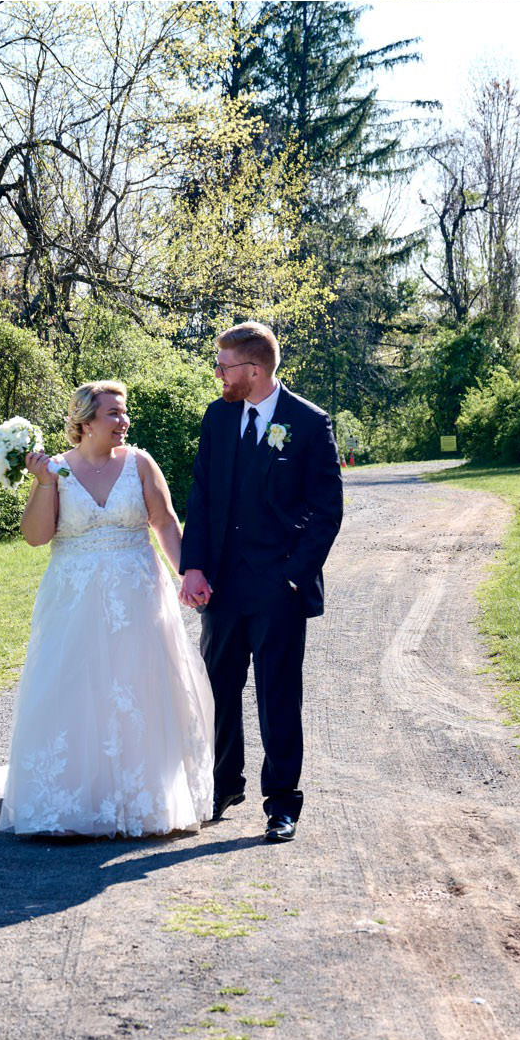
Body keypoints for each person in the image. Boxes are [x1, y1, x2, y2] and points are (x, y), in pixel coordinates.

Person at [0, 381, 215, 839]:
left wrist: (186, 572)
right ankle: (76, 799)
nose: (124, 421)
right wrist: (43, 484)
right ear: (86, 421)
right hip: (73, 599)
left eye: (124, 412)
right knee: (75, 688)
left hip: (137, 595)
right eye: (114, 413)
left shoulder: (140, 464)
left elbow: (164, 522)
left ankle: (143, 796)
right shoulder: (55, 469)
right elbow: (37, 536)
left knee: (138, 688)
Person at [178, 322, 344, 844]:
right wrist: (194, 565)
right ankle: (224, 784)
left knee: (278, 694)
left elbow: (327, 511)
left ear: (253, 370)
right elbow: (202, 495)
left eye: (224, 366)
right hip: (222, 585)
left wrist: (294, 578)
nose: (217, 374)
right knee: (219, 688)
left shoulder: (309, 423)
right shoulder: (218, 416)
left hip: (279, 588)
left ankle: (282, 803)